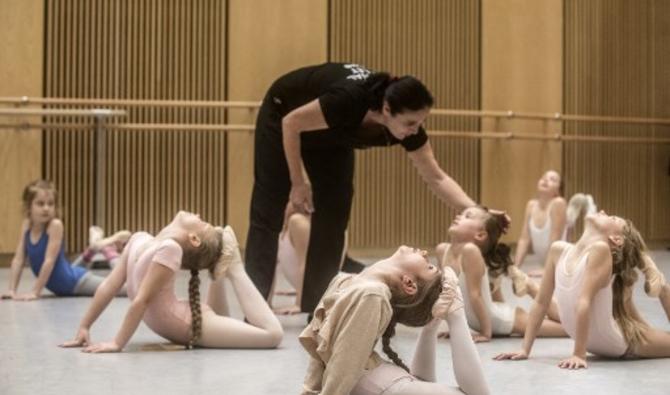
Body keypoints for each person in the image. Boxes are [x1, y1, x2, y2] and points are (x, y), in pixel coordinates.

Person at [246, 62, 478, 313]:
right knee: (269, 207)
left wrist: (478, 211)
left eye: (421, 122)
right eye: (411, 122)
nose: (416, 129)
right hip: (285, 114)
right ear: (387, 109)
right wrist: (298, 183)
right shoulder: (349, 99)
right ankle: (257, 305)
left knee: (335, 213)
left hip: (332, 133)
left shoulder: (407, 128)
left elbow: (437, 178)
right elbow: (292, 124)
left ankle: (317, 307)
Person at [60, 212, 283, 352]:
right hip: (186, 322)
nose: (198, 214)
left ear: (194, 239)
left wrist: (118, 343)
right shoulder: (141, 239)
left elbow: (141, 301)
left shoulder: (170, 249)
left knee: (273, 335)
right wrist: (84, 326)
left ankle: (233, 267)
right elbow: (108, 286)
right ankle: (219, 268)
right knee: (226, 322)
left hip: (187, 324)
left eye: (202, 221)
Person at [300, 245, 490, 394]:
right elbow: (322, 353)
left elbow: (343, 366)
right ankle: (449, 316)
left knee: (422, 384)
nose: (424, 253)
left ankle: (452, 314)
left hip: (373, 383)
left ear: (409, 283)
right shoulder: (346, 281)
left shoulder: (371, 294)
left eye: (429, 265)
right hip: (373, 384)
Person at [495, 211, 670, 369]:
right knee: (644, 325)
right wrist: (525, 349)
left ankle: (661, 286)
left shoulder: (600, 250)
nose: (602, 211)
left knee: (651, 329)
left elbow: (583, 301)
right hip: (599, 341)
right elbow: (541, 302)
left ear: (616, 239)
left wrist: (579, 354)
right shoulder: (558, 250)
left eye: (612, 218)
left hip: (618, 341)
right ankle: (650, 270)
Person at [437, 206, 565, 342]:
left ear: (480, 235)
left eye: (467, 216)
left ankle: (532, 288)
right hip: (489, 315)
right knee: (561, 326)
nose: (458, 217)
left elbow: (476, 296)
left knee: (568, 330)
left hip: (502, 320)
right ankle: (531, 287)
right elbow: (449, 294)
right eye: (461, 214)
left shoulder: (470, 251)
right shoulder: (442, 250)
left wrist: (486, 332)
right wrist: (455, 328)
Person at [1, 180, 128, 300]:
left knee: (124, 289)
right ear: (29, 207)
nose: (46, 208)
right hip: (66, 276)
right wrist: (12, 290)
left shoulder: (55, 225)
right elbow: (18, 259)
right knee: (69, 268)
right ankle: (94, 247)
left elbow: (49, 261)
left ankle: (110, 252)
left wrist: (35, 291)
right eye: (40, 204)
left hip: (75, 282)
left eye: (50, 204)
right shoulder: (27, 225)